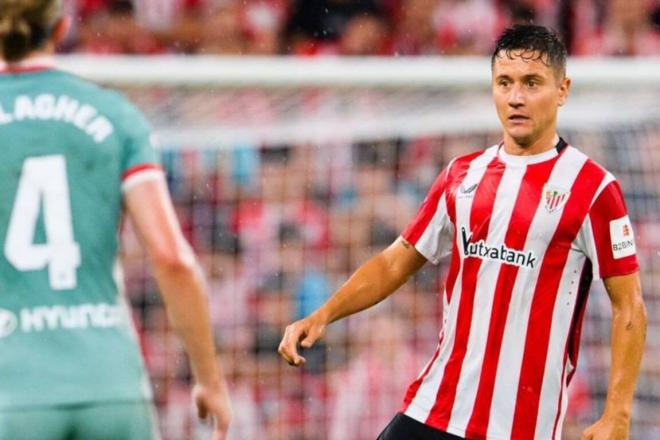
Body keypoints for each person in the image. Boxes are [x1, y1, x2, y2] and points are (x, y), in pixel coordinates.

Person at [279, 24, 647, 440]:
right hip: (434, 407)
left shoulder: (593, 188)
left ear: (562, 90)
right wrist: (325, 313)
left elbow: (629, 305)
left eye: (532, 83)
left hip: (520, 428)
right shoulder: (462, 174)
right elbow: (396, 261)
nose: (516, 97)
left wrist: (618, 411)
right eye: (504, 83)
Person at [0, 1, 231, 439]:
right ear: (61, 28)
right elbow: (171, 257)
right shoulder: (114, 114)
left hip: (13, 388)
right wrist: (209, 378)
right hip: (109, 382)